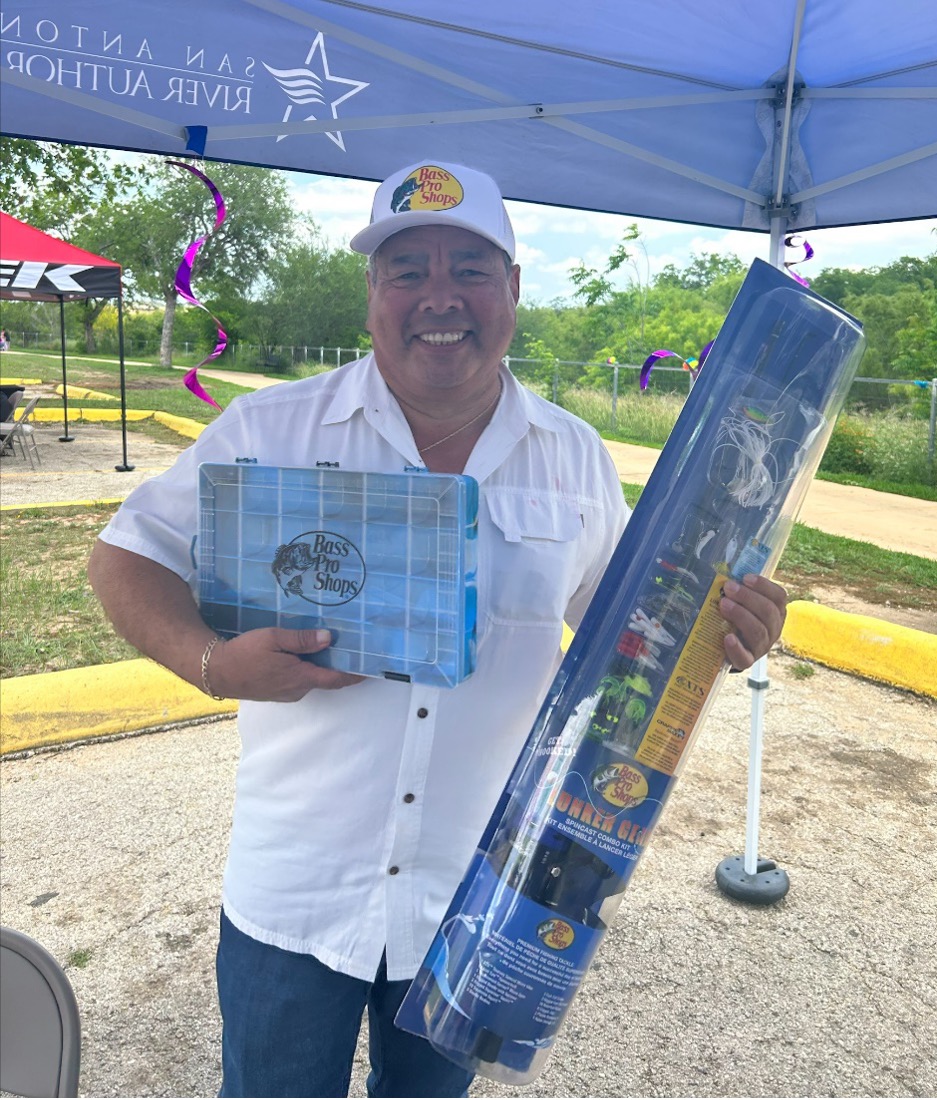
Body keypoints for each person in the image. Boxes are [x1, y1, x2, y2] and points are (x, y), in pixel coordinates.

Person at [88, 159, 787, 1098]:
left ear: (512, 290)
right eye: (407, 270)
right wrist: (209, 661)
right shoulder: (271, 429)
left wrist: (724, 627)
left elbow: (624, 633)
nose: (438, 297)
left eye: (469, 266)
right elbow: (126, 553)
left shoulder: (573, 456)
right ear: (373, 295)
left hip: (473, 898)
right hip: (296, 894)